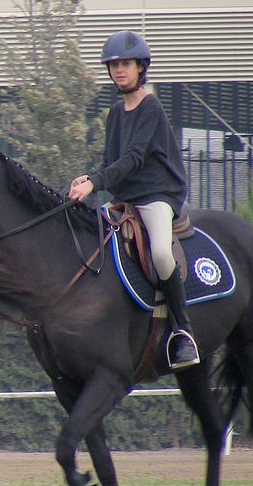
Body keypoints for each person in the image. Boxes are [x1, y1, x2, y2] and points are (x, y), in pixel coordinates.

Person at [66, 30, 200, 370]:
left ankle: (182, 332)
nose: (118, 71)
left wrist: (95, 184)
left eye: (125, 64)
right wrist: (89, 178)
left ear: (141, 67)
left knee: (159, 251)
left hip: (156, 196)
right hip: (125, 199)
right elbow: (114, 163)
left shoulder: (150, 107)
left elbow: (135, 158)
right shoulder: (115, 113)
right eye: (113, 65)